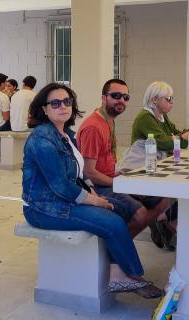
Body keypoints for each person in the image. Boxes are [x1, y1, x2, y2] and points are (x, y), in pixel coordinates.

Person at [21, 82, 163, 299]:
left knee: (118, 211)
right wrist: (96, 201)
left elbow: (80, 173)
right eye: (55, 103)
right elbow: (61, 186)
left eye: (67, 101)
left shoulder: (66, 134)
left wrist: (92, 192)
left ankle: (118, 272)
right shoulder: (42, 138)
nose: (63, 106)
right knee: (112, 222)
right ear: (44, 109)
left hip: (63, 201)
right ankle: (130, 276)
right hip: (43, 208)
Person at [77, 79, 170, 241]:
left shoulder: (109, 120)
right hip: (97, 186)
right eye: (116, 96)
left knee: (162, 198)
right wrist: (118, 182)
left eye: (125, 97)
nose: (121, 100)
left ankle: (120, 242)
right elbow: (89, 172)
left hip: (111, 177)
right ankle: (115, 249)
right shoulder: (93, 127)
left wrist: (120, 176)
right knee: (140, 214)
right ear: (104, 98)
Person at [130, 81, 189, 250]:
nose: (172, 102)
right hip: (145, 167)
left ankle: (166, 220)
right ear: (155, 99)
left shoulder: (162, 116)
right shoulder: (145, 117)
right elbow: (165, 142)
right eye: (168, 99)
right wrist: (185, 135)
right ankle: (165, 220)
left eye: (172, 98)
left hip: (160, 163)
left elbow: (177, 137)